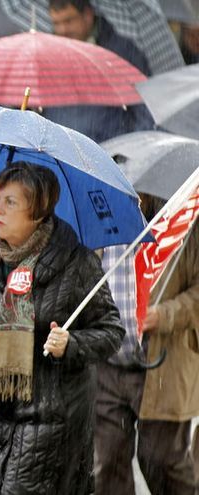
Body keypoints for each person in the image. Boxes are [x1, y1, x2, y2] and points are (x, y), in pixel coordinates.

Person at [0, 162, 124, 493]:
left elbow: (112, 331)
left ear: (38, 210)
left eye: (10, 202)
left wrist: (70, 344)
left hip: (50, 420)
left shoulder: (77, 262)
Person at [94, 193, 199, 494]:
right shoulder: (102, 223)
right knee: (108, 463)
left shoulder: (182, 223)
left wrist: (164, 315)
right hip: (108, 365)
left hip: (162, 367)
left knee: (161, 460)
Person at [44, 0, 154, 143]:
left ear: (88, 15)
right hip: (61, 151)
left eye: (69, 21)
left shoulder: (121, 52)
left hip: (110, 150)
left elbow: (145, 108)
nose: (63, 30)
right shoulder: (48, 54)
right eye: (56, 24)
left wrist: (133, 150)